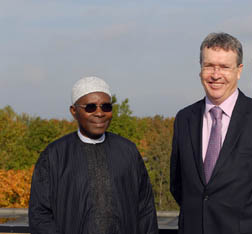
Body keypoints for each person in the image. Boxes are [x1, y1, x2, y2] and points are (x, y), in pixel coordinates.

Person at [170, 33, 252, 234]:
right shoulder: (184, 119)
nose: (216, 75)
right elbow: (178, 185)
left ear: (239, 71)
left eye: (224, 67)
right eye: (209, 66)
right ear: (200, 69)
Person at [29, 76, 158, 234]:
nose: (99, 113)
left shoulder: (128, 151)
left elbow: (145, 210)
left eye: (106, 107)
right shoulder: (54, 156)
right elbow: (40, 215)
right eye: (90, 107)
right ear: (74, 111)